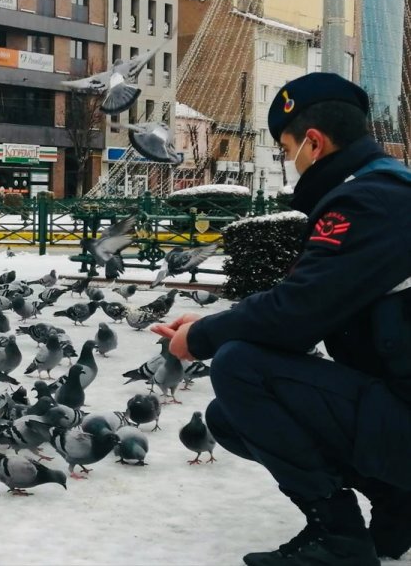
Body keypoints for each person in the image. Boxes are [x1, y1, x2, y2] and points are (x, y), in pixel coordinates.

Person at [152, 72, 411, 566]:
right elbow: (312, 299)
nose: (287, 162)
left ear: (313, 142)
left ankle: (337, 537)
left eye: (285, 148)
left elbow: (295, 315)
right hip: (398, 402)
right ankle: (398, 501)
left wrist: (201, 337)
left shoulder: (370, 200)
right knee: (229, 417)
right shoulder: (389, 190)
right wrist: (213, 323)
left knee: (238, 366)